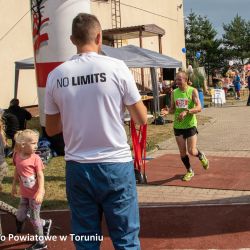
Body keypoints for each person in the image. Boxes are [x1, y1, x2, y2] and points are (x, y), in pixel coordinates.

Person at [45, 13, 147, 250]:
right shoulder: (117, 67)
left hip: (78, 167)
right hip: (115, 164)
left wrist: (74, 114)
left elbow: (51, 129)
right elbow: (141, 118)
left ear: (72, 39)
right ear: (100, 37)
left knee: (86, 239)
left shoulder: (56, 75)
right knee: (126, 240)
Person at [161, 71, 209, 181]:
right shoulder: (174, 92)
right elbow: (173, 109)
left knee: (192, 151)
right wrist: (167, 111)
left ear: (186, 80)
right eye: (176, 79)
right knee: (182, 153)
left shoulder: (192, 91)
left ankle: (201, 156)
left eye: (179, 79)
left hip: (190, 124)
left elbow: (199, 108)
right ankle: (189, 171)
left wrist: (187, 112)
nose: (177, 82)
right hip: (178, 126)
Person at [11, 129, 52, 250]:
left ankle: (41, 242)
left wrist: (40, 191)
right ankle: (45, 223)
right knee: (20, 216)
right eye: (33, 143)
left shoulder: (36, 158)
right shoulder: (16, 156)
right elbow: (17, 170)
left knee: (34, 218)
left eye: (36, 142)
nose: (36, 145)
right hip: (25, 194)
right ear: (23, 145)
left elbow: (40, 175)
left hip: (35, 194)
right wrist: (14, 185)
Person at [0, 116, 8, 192]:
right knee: (4, 169)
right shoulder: (1, 132)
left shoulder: (1, 132)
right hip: (2, 161)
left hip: (1, 160)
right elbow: (5, 145)